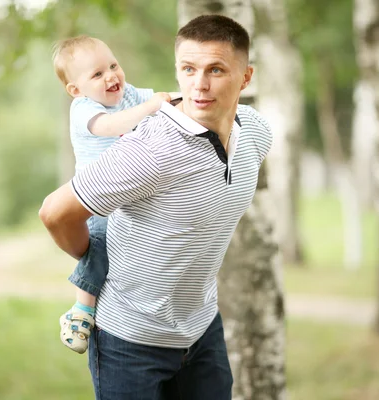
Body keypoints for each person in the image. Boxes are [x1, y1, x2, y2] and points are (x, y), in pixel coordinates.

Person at [39, 14, 272, 399]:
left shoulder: (256, 132)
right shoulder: (149, 148)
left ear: (246, 77)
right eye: (188, 69)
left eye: (216, 69)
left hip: (201, 330)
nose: (199, 84)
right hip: (129, 341)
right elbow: (54, 212)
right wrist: (92, 250)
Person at [51, 35, 176, 354]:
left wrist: (188, 98)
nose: (111, 76)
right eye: (97, 74)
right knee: (102, 244)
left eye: (113, 66)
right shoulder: (84, 109)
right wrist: (151, 108)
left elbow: (165, 101)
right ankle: (82, 309)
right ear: (76, 89)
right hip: (100, 201)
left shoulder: (129, 94)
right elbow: (110, 126)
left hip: (133, 195)